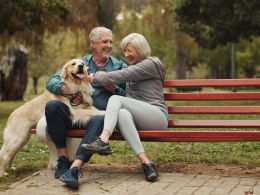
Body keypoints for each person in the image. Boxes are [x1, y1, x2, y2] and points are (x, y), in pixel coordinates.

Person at [45, 26, 127, 189]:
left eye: (111, 42)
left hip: (98, 117)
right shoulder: (80, 62)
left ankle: (74, 168)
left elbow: (131, 96)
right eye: (104, 41)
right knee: (52, 106)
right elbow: (51, 81)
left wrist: (115, 89)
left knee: (100, 118)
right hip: (75, 113)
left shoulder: (119, 67)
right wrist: (67, 92)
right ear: (93, 44)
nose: (109, 45)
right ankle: (63, 160)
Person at [82, 33, 168, 182]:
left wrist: (94, 77)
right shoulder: (134, 67)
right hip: (141, 117)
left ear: (140, 49)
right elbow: (130, 99)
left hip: (157, 116)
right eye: (125, 51)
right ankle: (147, 163)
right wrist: (115, 89)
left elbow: (122, 75)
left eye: (130, 50)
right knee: (121, 113)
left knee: (116, 100)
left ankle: (103, 139)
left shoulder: (151, 63)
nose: (126, 55)